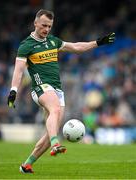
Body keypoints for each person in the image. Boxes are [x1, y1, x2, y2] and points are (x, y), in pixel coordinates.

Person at [7, 9, 115, 173]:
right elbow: (19, 70)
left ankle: (26, 164)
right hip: (41, 87)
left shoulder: (53, 41)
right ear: (35, 23)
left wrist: (98, 42)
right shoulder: (26, 45)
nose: (46, 29)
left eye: (49, 26)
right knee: (55, 111)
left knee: (51, 129)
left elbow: (76, 47)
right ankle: (56, 143)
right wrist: (13, 91)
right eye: (44, 25)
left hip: (57, 89)